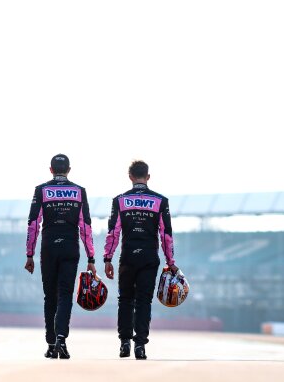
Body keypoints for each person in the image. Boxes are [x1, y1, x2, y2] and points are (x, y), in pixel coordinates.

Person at [104, 160, 178, 360]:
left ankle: (124, 343)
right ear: (148, 176)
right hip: (149, 257)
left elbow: (113, 232)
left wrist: (107, 258)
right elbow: (166, 235)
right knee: (144, 301)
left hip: (127, 256)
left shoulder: (119, 200)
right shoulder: (160, 201)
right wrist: (170, 262)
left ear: (130, 177)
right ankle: (140, 346)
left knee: (125, 300)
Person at [24, 154, 96, 359]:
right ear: (69, 170)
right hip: (70, 247)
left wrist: (29, 254)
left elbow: (33, 224)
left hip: (48, 247)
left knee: (50, 297)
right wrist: (91, 258)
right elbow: (86, 227)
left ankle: (50, 343)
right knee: (65, 295)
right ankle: (61, 341)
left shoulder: (42, 190)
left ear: (51, 170)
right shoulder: (79, 191)